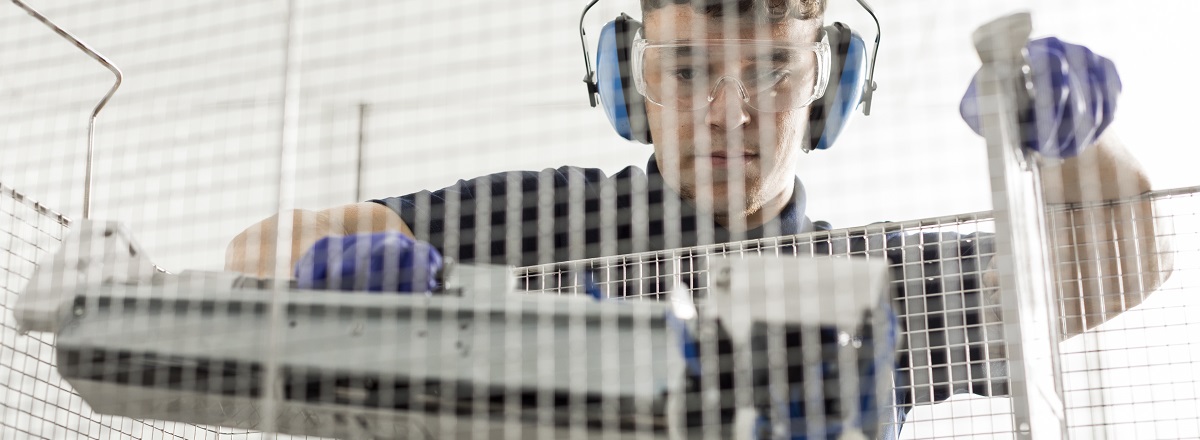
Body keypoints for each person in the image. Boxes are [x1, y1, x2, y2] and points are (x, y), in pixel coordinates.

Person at [225, 0, 1171, 436]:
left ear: (828, 85)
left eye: (769, 68)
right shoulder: (543, 218)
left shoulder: (869, 284)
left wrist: (1071, 135)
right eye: (687, 71)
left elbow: (1126, 265)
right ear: (632, 86)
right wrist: (381, 276)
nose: (731, 111)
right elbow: (256, 250)